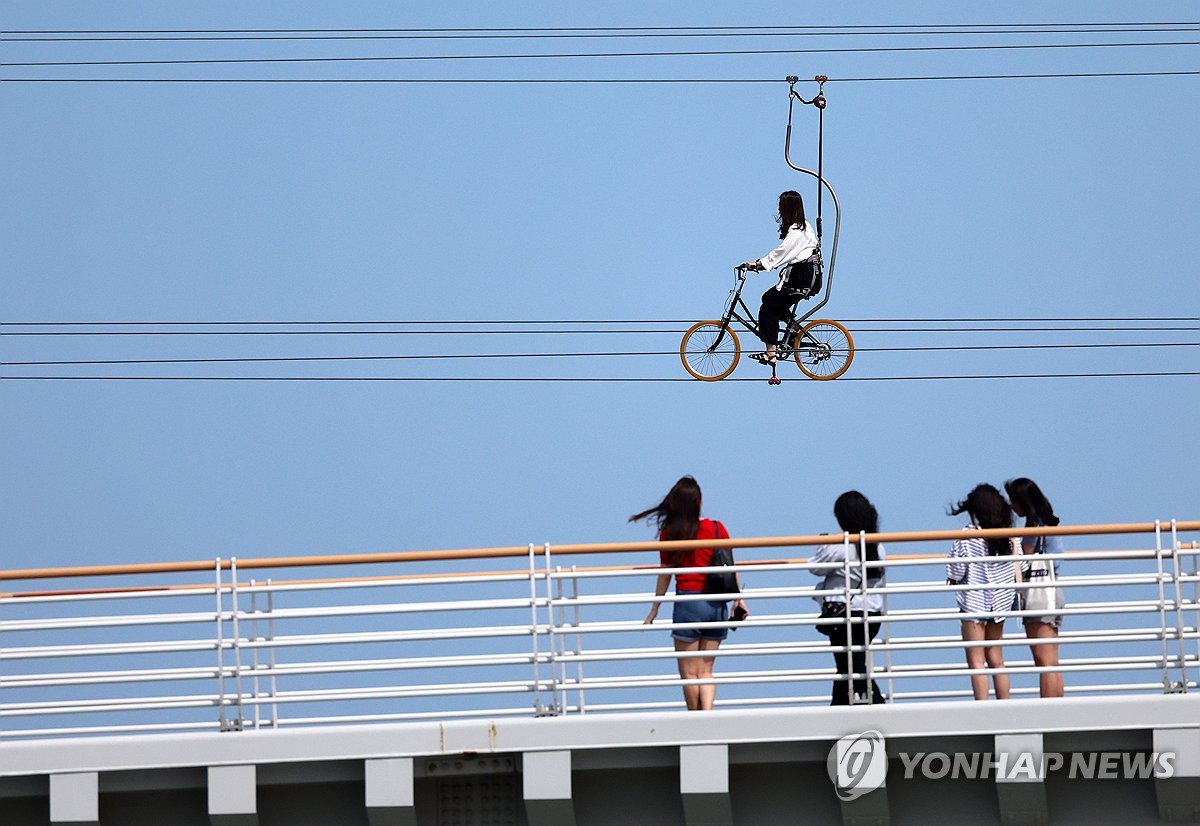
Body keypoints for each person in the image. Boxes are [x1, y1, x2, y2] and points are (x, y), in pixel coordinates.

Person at [633, 476, 748, 711]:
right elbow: (731, 565)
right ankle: (707, 716)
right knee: (706, 670)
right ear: (700, 502)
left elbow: (665, 574)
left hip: (688, 601)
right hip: (716, 603)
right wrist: (739, 599)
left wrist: (655, 608)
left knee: (688, 672)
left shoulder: (670, 533)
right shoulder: (717, 528)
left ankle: (695, 720)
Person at [810, 491, 887, 705]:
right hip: (872, 613)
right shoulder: (877, 545)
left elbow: (815, 567)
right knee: (850, 664)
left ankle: (879, 707)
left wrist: (823, 543)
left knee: (849, 666)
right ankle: (839, 707)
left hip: (844, 614)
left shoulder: (840, 545)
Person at [946, 484, 1017, 701]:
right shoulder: (1009, 534)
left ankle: (983, 708)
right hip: (1001, 602)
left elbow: (957, 570)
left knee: (976, 661)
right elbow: (1021, 566)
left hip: (974, 602)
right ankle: (1006, 706)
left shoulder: (968, 535)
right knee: (997, 658)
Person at [740, 190, 821, 366]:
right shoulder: (802, 227)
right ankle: (792, 333)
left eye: (781, 207)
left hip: (802, 278)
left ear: (788, 209)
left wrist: (758, 264)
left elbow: (782, 253)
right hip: (804, 276)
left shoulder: (798, 230)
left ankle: (771, 353)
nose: (779, 210)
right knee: (769, 298)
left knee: (768, 308)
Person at [1005, 477, 1066, 698]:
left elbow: (1024, 558)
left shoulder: (1034, 525)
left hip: (1040, 594)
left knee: (1043, 660)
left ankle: (1049, 709)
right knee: (1051, 658)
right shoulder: (1048, 522)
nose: (1011, 505)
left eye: (1014, 500)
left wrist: (1012, 543)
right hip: (1053, 590)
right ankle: (1058, 706)